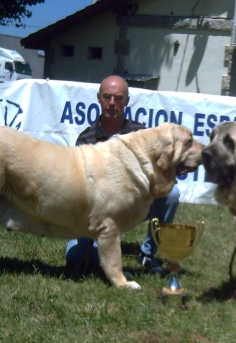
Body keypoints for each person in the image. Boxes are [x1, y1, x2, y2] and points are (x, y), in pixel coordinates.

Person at [65, 75, 180, 276]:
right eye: (107, 97)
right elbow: (81, 186)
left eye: (118, 99)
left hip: (134, 202)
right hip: (98, 208)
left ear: (126, 101)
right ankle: (97, 247)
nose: (112, 104)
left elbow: (158, 171)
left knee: (171, 194)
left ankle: (147, 253)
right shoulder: (86, 139)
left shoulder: (141, 134)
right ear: (99, 98)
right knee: (76, 261)